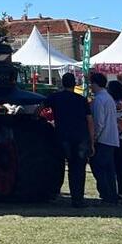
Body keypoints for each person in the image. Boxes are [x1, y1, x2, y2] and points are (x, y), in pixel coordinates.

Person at [43, 73, 94, 207]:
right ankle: (77, 199)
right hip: (80, 137)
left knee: (58, 166)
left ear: (62, 83)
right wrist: (92, 141)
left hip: (62, 136)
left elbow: (40, 108)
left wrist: (37, 119)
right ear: (75, 84)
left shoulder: (55, 97)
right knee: (78, 169)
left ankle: (53, 193)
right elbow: (89, 121)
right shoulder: (82, 100)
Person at [87, 72, 121, 205]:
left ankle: (106, 195)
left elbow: (99, 123)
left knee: (99, 168)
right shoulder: (108, 98)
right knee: (109, 170)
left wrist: (93, 138)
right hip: (111, 138)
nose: (90, 87)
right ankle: (112, 195)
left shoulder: (99, 100)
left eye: (91, 84)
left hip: (103, 139)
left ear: (95, 84)